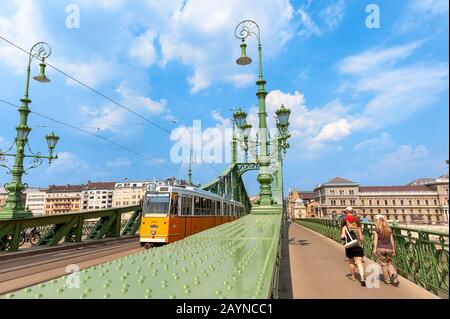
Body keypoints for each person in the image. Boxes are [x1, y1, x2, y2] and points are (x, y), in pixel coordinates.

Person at [340, 207, 366, 286]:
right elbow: (361, 238)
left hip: (349, 246)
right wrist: (361, 242)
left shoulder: (344, 225)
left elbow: (342, 236)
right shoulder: (358, 225)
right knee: (359, 262)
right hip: (357, 245)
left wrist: (343, 236)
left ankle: (353, 276)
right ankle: (362, 278)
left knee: (351, 261)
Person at [373, 214, 400, 286]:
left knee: (383, 264)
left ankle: (387, 280)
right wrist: (393, 249)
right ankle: (393, 274)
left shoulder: (376, 229)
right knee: (389, 263)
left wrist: (374, 249)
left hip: (380, 248)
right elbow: (392, 240)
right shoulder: (389, 229)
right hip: (389, 248)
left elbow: (375, 240)